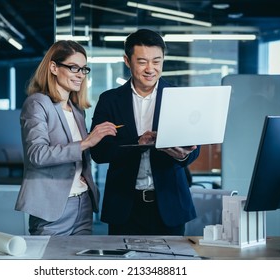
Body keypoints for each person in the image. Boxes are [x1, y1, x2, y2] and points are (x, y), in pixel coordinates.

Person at [90, 29, 200, 235]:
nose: (150, 69)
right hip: (124, 206)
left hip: (170, 205)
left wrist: (182, 155)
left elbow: (195, 150)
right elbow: (99, 153)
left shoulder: (179, 96)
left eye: (157, 61)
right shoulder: (110, 100)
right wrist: (138, 143)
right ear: (127, 60)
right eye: (142, 62)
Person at [15, 40, 117, 236]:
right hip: (52, 207)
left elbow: (76, 158)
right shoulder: (37, 103)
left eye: (84, 69)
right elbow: (37, 155)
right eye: (73, 68)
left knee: (82, 264)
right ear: (53, 67)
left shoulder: (77, 109)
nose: (80, 75)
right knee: (50, 265)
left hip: (82, 203)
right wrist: (87, 142)